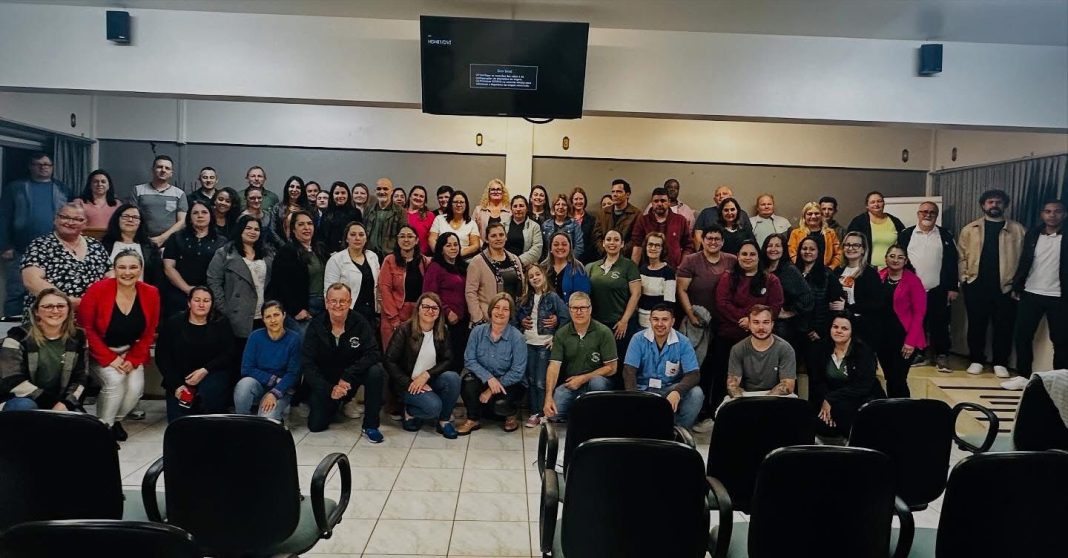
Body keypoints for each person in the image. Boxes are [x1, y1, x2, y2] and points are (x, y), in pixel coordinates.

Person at [78, 250, 161, 440]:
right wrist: (110, 358)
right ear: (114, 269)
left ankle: (115, 421)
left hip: (131, 351)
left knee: (135, 389)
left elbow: (149, 331)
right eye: (122, 267)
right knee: (115, 382)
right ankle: (103, 430)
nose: (127, 272)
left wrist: (133, 359)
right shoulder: (97, 289)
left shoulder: (151, 292)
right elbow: (85, 328)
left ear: (140, 269)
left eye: (133, 267)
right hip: (99, 351)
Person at [708, 240, 783, 421]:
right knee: (723, 375)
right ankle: (720, 415)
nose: (748, 257)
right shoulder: (728, 277)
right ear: (738, 256)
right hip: (729, 334)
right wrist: (744, 320)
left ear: (758, 257)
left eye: (752, 254)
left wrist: (752, 323)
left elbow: (775, 306)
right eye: (744, 254)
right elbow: (722, 303)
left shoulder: (771, 280)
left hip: (760, 339)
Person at [303, 283, 385, 441]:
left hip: (350, 378)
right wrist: (330, 389)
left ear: (350, 302)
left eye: (342, 301)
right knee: (316, 426)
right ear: (327, 302)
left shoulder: (360, 322)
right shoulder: (316, 325)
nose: (338, 305)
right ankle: (338, 402)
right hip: (326, 382)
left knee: (376, 371)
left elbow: (374, 353)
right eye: (333, 301)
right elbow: (308, 364)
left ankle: (370, 426)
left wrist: (348, 375)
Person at [958, 189, 1026, 378]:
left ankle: (1000, 362)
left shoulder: (1018, 230)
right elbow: (961, 256)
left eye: (998, 202)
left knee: (1004, 326)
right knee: (976, 325)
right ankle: (976, 360)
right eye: (990, 202)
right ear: (983, 205)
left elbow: (1024, 259)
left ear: (1005, 205)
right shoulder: (970, 229)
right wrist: (964, 278)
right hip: (976, 285)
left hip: (1006, 287)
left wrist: (1017, 284)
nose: (994, 205)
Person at [1004, 199, 1067, 390]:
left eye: (1057, 211)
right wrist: (1017, 285)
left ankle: (1059, 382)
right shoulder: (1033, 234)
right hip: (1031, 293)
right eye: (1048, 211)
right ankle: (1023, 376)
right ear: (1042, 214)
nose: (1052, 215)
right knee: (1022, 336)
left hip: (1060, 296)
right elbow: (1024, 261)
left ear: (1064, 214)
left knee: (1061, 341)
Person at [1, 153, 71, 316]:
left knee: (49, 293)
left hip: (53, 252)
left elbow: (73, 213)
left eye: (47, 164)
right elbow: (3, 217)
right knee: (16, 293)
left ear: (52, 167)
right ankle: (13, 328)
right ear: (30, 167)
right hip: (20, 250)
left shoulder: (62, 188)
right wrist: (4, 245)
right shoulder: (15, 188)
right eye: (38, 164)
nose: (43, 167)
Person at [384, 292, 460, 439]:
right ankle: (409, 412)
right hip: (406, 384)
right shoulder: (404, 330)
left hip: (429, 380)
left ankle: (443, 421)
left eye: (434, 308)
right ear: (418, 309)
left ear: (439, 312)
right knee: (434, 407)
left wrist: (427, 375)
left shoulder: (442, 330)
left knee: (453, 378)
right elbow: (389, 361)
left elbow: (448, 359)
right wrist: (409, 382)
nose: (430, 311)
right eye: (425, 307)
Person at [0, 288, 87, 412]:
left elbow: (81, 378)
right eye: (48, 306)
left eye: (61, 306)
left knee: (85, 422)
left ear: (69, 310)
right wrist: (51, 405)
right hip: (21, 398)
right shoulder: (18, 335)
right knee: (25, 406)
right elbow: (12, 380)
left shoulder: (78, 337)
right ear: (36, 312)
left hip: (60, 401)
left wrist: (67, 403)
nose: (55, 311)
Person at [155, 286, 235, 422]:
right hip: (180, 379)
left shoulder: (221, 322)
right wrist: (177, 385)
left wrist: (205, 370)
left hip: (211, 374)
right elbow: (162, 357)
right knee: (178, 422)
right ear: (189, 302)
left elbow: (229, 353)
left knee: (209, 401)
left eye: (206, 301)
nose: (201, 304)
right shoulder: (173, 323)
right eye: (197, 300)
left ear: (212, 303)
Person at [897, 201, 959, 372]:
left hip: (938, 289)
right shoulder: (906, 234)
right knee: (916, 324)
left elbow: (952, 262)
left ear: (936, 215)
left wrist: (953, 287)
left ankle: (941, 355)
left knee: (940, 323)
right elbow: (898, 259)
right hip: (912, 289)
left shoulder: (945, 235)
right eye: (924, 211)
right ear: (918, 214)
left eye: (932, 212)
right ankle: (919, 353)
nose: (928, 215)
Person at [623, 303, 703, 428]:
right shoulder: (637, 339)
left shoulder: (683, 342)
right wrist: (634, 399)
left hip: (669, 389)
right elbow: (629, 371)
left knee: (696, 393)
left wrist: (677, 391)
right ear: (650, 320)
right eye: (655, 319)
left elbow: (694, 374)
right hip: (643, 389)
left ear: (672, 322)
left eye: (665, 319)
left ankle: (678, 431)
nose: (660, 324)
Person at [19, 203, 110, 313]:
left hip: (91, 312)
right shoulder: (40, 245)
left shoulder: (95, 245)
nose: (70, 222)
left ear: (85, 223)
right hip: (51, 313)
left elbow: (110, 275)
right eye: (65, 217)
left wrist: (96, 300)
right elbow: (31, 281)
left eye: (77, 219)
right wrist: (65, 301)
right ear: (55, 219)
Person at [206, 214, 274, 357]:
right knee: (239, 357)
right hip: (237, 315)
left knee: (262, 356)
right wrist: (224, 308)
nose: (252, 232)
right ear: (240, 229)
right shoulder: (225, 253)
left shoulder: (267, 253)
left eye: (256, 229)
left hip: (263, 313)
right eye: (248, 228)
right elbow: (214, 281)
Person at [543, 291, 617, 421]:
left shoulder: (604, 332)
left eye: (583, 308)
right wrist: (548, 397)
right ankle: (577, 415)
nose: (579, 312)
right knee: (553, 414)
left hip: (597, 382)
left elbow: (612, 368)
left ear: (590, 309)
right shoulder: (561, 333)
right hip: (572, 384)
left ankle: (597, 417)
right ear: (569, 310)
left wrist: (583, 378)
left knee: (597, 383)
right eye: (575, 308)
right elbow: (554, 366)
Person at [809, 312, 884, 438]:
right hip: (834, 399)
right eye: (835, 327)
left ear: (852, 331)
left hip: (861, 397)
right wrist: (826, 401)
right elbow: (817, 381)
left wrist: (831, 399)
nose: (838, 331)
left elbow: (863, 385)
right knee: (821, 424)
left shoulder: (863, 351)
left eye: (844, 328)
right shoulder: (820, 349)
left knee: (845, 414)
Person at [515, 263, 569, 428]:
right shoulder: (526, 299)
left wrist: (556, 338)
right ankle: (535, 412)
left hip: (544, 344)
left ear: (544, 275)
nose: (535, 278)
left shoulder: (553, 297)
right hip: (528, 343)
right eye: (531, 277)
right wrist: (521, 322)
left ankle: (543, 412)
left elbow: (566, 318)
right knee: (531, 380)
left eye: (538, 274)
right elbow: (517, 317)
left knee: (541, 381)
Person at [586, 229, 641, 383]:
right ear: (603, 243)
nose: (612, 243)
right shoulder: (592, 267)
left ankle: (620, 393)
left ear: (622, 244)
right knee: (600, 362)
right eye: (608, 239)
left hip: (620, 325)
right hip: (598, 324)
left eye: (616, 240)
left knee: (620, 363)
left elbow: (636, 294)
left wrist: (624, 320)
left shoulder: (629, 266)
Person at [233, 300, 301, 422]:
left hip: (282, 388)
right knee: (243, 385)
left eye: (276, 315)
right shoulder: (255, 337)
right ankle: (243, 422)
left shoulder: (294, 339)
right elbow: (246, 369)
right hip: (258, 385)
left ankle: (276, 414)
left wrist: (274, 393)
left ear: (284, 315)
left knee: (266, 420)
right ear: (263, 319)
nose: (273, 320)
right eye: (268, 317)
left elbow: (293, 374)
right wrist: (273, 379)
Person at [722, 305, 797, 409]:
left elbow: (788, 385)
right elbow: (732, 385)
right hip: (746, 397)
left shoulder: (785, 349)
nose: (761, 327)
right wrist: (743, 403)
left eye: (765, 322)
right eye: (756, 322)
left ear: (772, 324)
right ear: (749, 324)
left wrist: (763, 403)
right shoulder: (737, 349)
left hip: (777, 397)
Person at [162, 200, 228, 318]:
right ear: (189, 217)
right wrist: (187, 289)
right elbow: (168, 268)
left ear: (211, 215)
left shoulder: (222, 241)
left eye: (204, 212)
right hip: (178, 295)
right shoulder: (176, 238)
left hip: (212, 296)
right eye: (195, 213)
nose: (200, 216)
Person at [877, 245, 927, 397]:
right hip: (883, 337)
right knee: (889, 377)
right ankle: (892, 408)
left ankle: (904, 410)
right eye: (892, 256)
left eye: (900, 257)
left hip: (904, 337)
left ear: (905, 261)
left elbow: (919, 313)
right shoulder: (879, 276)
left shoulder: (913, 281)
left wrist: (910, 342)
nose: (895, 260)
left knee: (898, 378)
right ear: (886, 258)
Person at [268, 211, 327, 337]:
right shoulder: (286, 252)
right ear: (293, 229)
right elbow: (280, 284)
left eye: (309, 223)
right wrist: (296, 310)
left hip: (322, 306)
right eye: (301, 224)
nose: (306, 227)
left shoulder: (320, 249)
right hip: (301, 308)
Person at [794, 236, 845, 377]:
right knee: (792, 375)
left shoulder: (828, 275)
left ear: (819, 252)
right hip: (796, 332)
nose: (807, 252)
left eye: (812, 249)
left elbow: (836, 309)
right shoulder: (793, 273)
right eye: (804, 248)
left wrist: (821, 331)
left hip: (818, 335)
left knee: (816, 376)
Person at [677, 224, 737, 330]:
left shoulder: (732, 260)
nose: (713, 242)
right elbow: (682, 290)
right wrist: (691, 315)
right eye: (709, 238)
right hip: (699, 318)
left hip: (726, 319)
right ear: (702, 240)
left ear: (723, 242)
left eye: (717, 239)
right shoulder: (690, 261)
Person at [423, 232, 469, 370]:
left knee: (460, 359)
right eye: (448, 245)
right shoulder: (435, 267)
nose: (453, 248)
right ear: (441, 248)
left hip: (463, 321)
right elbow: (429, 295)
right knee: (448, 360)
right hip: (444, 322)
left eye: (455, 244)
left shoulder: (463, 267)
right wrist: (447, 312)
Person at [379, 225, 430, 348]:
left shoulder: (425, 261)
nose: (406, 240)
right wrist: (394, 319)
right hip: (393, 313)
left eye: (410, 236)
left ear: (416, 240)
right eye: (402, 236)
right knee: (393, 354)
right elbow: (384, 290)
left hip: (416, 315)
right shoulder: (389, 260)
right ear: (397, 240)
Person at [762, 233, 814, 354]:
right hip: (764, 323)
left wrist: (790, 312)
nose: (773, 249)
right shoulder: (762, 268)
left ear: (784, 249)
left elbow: (808, 297)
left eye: (777, 246)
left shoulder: (789, 270)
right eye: (770, 245)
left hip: (784, 328)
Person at [466, 222, 526, 325]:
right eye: (493, 236)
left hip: (513, 319)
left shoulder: (515, 259)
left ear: (506, 237)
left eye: (501, 235)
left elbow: (523, 288)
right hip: (488, 320)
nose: (498, 238)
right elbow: (470, 293)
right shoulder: (477, 262)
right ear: (486, 239)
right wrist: (478, 318)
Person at [323, 221, 380, 324]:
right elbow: (329, 292)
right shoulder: (336, 260)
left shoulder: (373, 257)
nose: (357, 238)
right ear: (346, 238)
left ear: (366, 238)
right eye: (353, 235)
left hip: (371, 313)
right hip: (347, 314)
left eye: (361, 235)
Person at [835, 231, 883, 347]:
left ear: (863, 250)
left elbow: (875, 304)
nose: (850, 248)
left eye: (856, 245)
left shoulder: (870, 274)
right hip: (839, 326)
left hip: (862, 328)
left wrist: (847, 306)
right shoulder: (837, 271)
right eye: (847, 245)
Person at [128, 154, 187, 247]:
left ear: (171, 173)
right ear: (153, 170)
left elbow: (182, 222)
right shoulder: (138, 190)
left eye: (167, 168)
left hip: (171, 242)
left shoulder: (179, 194)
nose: (163, 170)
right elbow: (131, 217)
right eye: (159, 167)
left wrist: (162, 238)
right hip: (142, 241)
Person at [100, 204, 165, 287]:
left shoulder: (150, 248)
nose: (130, 220)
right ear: (117, 219)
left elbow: (157, 278)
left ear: (140, 222)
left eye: (135, 217)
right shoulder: (103, 245)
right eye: (126, 216)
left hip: (141, 292)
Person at [631, 187, 693, 268]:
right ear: (652, 203)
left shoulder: (680, 220)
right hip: (648, 269)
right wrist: (633, 270)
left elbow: (688, 246)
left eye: (663, 201)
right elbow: (637, 246)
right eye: (656, 201)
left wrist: (682, 267)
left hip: (674, 269)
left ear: (669, 202)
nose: (659, 204)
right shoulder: (643, 220)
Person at [847, 191, 905, 269]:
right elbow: (850, 246)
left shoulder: (895, 221)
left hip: (892, 269)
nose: (876, 204)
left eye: (879, 201)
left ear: (884, 203)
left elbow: (904, 244)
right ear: (867, 206)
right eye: (872, 202)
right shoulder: (858, 222)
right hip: (866, 269)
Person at [637, 232, 677, 328]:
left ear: (662, 249)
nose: (653, 248)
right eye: (650, 244)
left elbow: (669, 303)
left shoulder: (668, 272)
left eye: (657, 245)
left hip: (658, 324)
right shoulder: (641, 269)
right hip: (640, 321)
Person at [788, 201, 842, 269]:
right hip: (802, 271)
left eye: (817, 213)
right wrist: (803, 268)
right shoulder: (795, 233)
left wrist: (831, 268)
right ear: (804, 216)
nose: (813, 216)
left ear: (822, 215)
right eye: (809, 214)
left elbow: (838, 254)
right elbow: (792, 254)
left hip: (826, 271)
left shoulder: (830, 233)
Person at [428, 190, 481, 260]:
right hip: (441, 259)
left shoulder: (472, 223)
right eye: (455, 202)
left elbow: (475, 245)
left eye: (461, 202)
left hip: (463, 259)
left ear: (466, 205)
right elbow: (431, 239)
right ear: (450, 204)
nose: (458, 205)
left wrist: (457, 254)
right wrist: (441, 254)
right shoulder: (439, 219)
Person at [545, 232, 591, 306]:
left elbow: (582, 299)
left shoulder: (578, 269)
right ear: (550, 248)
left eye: (564, 244)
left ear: (570, 248)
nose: (560, 247)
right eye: (556, 244)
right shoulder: (542, 268)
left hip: (569, 312)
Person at [597, 179, 641, 254]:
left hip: (625, 256)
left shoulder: (636, 214)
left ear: (627, 194)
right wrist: (606, 251)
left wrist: (618, 252)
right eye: (613, 192)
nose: (615, 194)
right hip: (604, 255)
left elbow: (635, 239)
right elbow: (597, 236)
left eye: (619, 192)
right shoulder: (603, 213)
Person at [365, 177, 407, 256]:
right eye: (379, 189)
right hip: (369, 254)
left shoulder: (400, 211)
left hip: (390, 255)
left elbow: (403, 236)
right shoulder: (368, 209)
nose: (382, 192)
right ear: (375, 191)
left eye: (385, 189)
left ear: (391, 191)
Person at [320, 181, 362, 254]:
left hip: (351, 253)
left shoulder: (356, 213)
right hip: (330, 254)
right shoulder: (326, 214)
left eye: (343, 193)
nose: (340, 196)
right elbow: (322, 237)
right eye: (337, 193)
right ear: (332, 195)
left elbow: (358, 235)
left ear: (348, 194)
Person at [504, 195, 544, 268]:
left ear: (527, 208)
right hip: (504, 265)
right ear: (511, 209)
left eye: (521, 206)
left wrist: (517, 261)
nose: (518, 209)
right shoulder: (502, 225)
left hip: (525, 266)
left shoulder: (534, 226)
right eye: (515, 206)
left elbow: (537, 249)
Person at [542, 194, 585, 262]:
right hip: (549, 262)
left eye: (564, 205)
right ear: (553, 207)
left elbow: (579, 246)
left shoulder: (574, 224)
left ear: (568, 208)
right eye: (557, 204)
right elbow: (543, 248)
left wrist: (568, 261)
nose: (561, 207)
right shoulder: (546, 225)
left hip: (569, 262)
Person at [571, 187, 604, 265]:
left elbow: (593, 242)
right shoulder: (567, 219)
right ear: (572, 201)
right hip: (568, 259)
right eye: (576, 199)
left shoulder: (592, 220)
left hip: (587, 260)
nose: (578, 201)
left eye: (581, 199)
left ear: (585, 200)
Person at [271, 175, 308, 241]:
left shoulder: (307, 209)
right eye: (292, 186)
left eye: (298, 187)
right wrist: (283, 245)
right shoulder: (277, 208)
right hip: (281, 245)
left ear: (302, 190)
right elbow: (273, 230)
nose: (294, 190)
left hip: (302, 244)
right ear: (287, 188)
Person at [406, 185, 437, 255]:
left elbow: (433, 238)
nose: (418, 198)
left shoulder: (429, 215)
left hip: (423, 256)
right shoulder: (401, 213)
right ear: (410, 197)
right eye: (415, 195)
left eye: (421, 196)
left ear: (425, 200)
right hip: (402, 255)